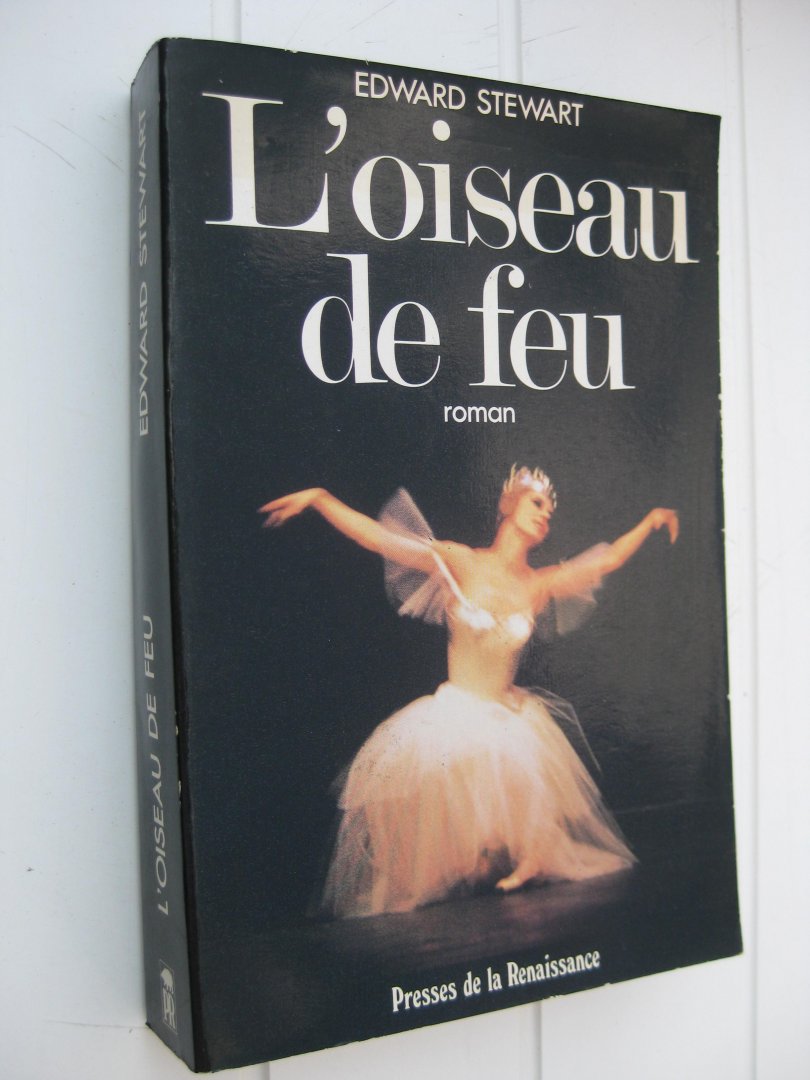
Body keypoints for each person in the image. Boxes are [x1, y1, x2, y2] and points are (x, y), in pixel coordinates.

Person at [259, 468, 678, 918]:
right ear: (509, 505)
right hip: (456, 710)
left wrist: (650, 521)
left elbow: (607, 560)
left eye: (550, 513)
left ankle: (525, 860)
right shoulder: (461, 562)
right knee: (452, 812)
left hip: (509, 715)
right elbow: (377, 538)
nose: (545, 516)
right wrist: (320, 498)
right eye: (537, 504)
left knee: (514, 767)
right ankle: (477, 865)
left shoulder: (538, 584)